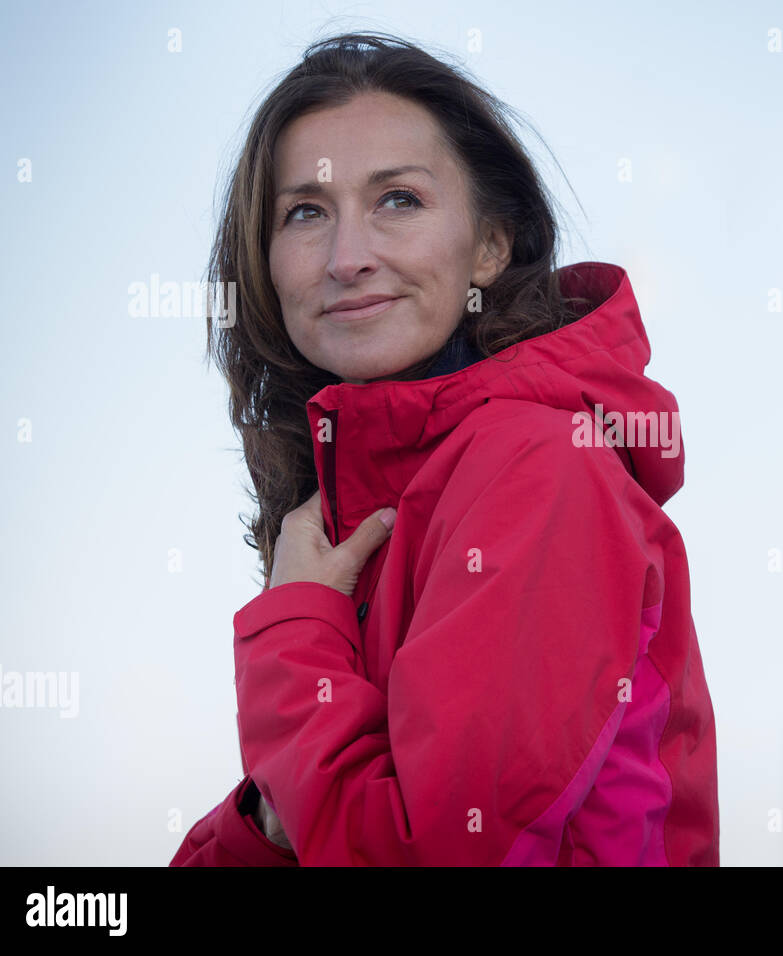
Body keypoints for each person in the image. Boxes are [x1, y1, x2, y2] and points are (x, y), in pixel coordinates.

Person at [168, 31, 719, 866]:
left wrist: (295, 636)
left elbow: (426, 852)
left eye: (399, 201)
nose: (349, 258)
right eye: (306, 212)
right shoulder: (368, 507)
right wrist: (266, 821)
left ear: (491, 247)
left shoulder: (539, 465)